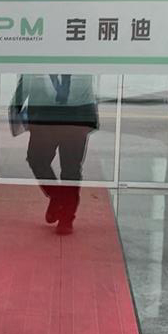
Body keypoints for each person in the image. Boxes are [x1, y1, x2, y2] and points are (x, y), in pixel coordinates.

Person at [9, 74, 99, 235]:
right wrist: (16, 109)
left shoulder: (81, 64)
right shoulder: (39, 64)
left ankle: (67, 217)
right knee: (36, 159)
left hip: (76, 118)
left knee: (71, 169)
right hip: (45, 118)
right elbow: (25, 83)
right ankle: (58, 197)